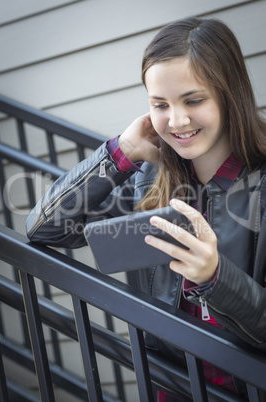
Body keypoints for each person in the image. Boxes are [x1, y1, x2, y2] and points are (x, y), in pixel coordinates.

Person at [26, 17, 266, 400]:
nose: (177, 120)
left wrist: (215, 278)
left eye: (193, 99)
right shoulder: (147, 180)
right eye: (160, 104)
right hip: (169, 387)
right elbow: (44, 229)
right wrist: (120, 153)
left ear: (229, 94)